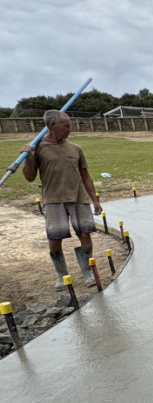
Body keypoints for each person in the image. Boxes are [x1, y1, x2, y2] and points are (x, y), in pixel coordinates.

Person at [22, 110, 103, 289]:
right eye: (66, 126)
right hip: (53, 200)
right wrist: (28, 159)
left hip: (78, 198)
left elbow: (85, 175)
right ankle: (62, 274)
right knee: (54, 241)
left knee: (85, 235)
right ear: (53, 126)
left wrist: (95, 200)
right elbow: (29, 177)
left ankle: (87, 271)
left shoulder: (75, 148)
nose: (70, 129)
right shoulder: (39, 148)